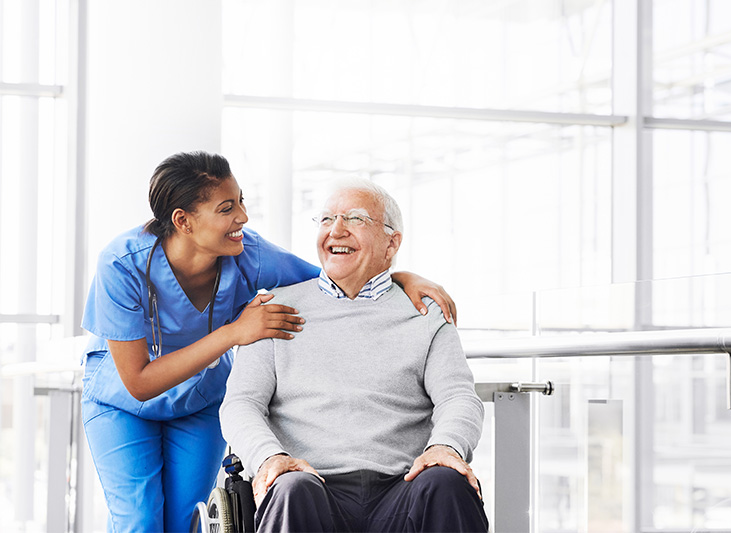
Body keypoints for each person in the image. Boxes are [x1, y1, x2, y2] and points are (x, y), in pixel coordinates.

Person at [80, 151, 457, 533]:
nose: (242, 216)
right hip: (122, 403)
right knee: (138, 521)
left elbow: (339, 278)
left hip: (197, 400)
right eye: (227, 208)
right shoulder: (122, 264)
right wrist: (233, 333)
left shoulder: (249, 253)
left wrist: (402, 277)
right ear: (184, 221)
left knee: (185, 521)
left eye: (241, 201)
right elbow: (139, 383)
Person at [219, 177, 489, 533]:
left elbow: (458, 397)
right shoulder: (274, 309)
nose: (337, 230)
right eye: (327, 220)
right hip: (310, 485)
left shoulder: (425, 315)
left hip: (402, 486)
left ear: (391, 243)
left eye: (355, 219)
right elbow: (241, 404)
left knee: (446, 482)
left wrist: (446, 446)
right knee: (291, 488)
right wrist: (271, 457)